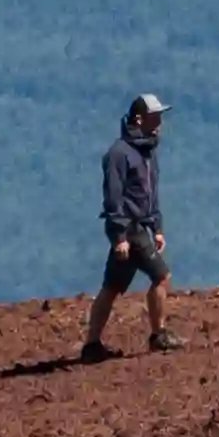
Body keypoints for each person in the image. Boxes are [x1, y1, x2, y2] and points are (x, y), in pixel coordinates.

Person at [78, 91, 171, 358]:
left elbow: (150, 194)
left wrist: (158, 226)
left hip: (140, 227)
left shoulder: (148, 153)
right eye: (155, 118)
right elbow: (114, 197)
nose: (160, 123)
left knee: (112, 286)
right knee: (161, 276)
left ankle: (92, 344)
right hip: (130, 228)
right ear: (140, 119)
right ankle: (158, 334)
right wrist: (119, 236)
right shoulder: (119, 154)